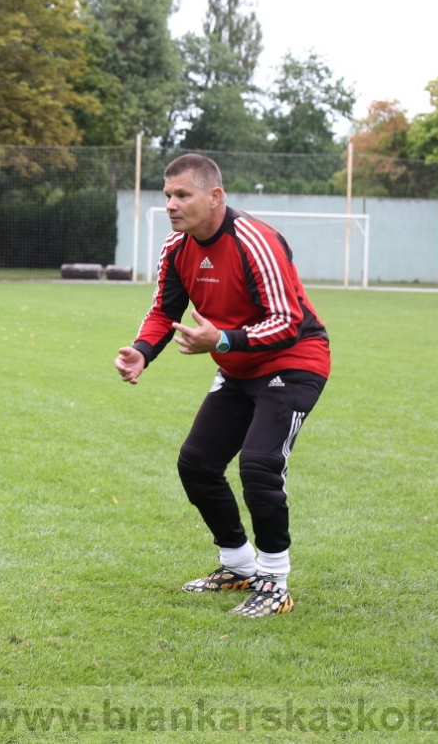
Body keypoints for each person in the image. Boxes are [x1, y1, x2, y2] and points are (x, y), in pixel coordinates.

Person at [113, 154, 331, 618]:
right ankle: (238, 566)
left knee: (259, 464)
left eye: (182, 194)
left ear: (215, 197)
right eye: (168, 195)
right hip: (238, 367)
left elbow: (288, 323)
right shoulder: (176, 247)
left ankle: (274, 582)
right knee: (197, 464)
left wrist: (225, 340)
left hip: (294, 360)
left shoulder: (257, 240)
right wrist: (142, 351)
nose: (171, 204)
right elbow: (163, 312)